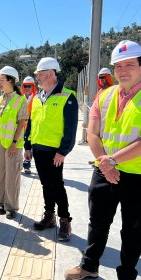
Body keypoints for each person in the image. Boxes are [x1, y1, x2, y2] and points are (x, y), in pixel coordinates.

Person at [65, 40, 141, 280]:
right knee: (97, 223)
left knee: (133, 231)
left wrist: (111, 162)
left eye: (129, 64)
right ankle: (89, 266)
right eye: (118, 66)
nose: (122, 71)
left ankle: (126, 275)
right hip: (104, 171)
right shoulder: (104, 96)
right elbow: (92, 132)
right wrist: (105, 163)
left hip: (136, 175)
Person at [24, 57, 78, 241]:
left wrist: (63, 151)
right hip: (38, 149)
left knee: (57, 186)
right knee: (46, 185)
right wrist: (28, 146)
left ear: (50, 74)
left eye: (39, 75)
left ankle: (65, 221)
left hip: (55, 152)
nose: (37, 78)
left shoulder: (67, 96)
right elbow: (31, 123)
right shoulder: (38, 97)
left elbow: (70, 129)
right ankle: (49, 217)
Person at [0, 66, 28, 219]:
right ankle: (1, 202)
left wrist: (14, 143)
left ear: (11, 81)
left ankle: (11, 206)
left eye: (1, 80)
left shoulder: (20, 100)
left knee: (12, 175)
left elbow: (21, 123)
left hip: (12, 145)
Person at [21, 76, 38, 174]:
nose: (27, 88)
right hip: (20, 126)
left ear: (33, 87)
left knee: (29, 146)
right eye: (25, 86)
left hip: (32, 127)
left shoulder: (37, 98)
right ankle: (21, 164)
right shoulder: (19, 98)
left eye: (29, 86)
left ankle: (27, 165)